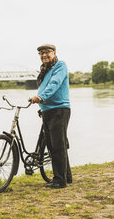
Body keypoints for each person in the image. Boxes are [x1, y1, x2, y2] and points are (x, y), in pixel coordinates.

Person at [31, 44, 72, 189]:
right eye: (41, 53)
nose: (44, 55)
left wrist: (40, 97)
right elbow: (45, 86)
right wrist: (42, 106)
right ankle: (67, 176)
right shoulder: (45, 70)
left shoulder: (60, 65)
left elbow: (54, 84)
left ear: (54, 52)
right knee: (54, 143)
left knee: (57, 146)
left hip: (59, 109)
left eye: (47, 52)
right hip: (48, 110)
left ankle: (60, 181)